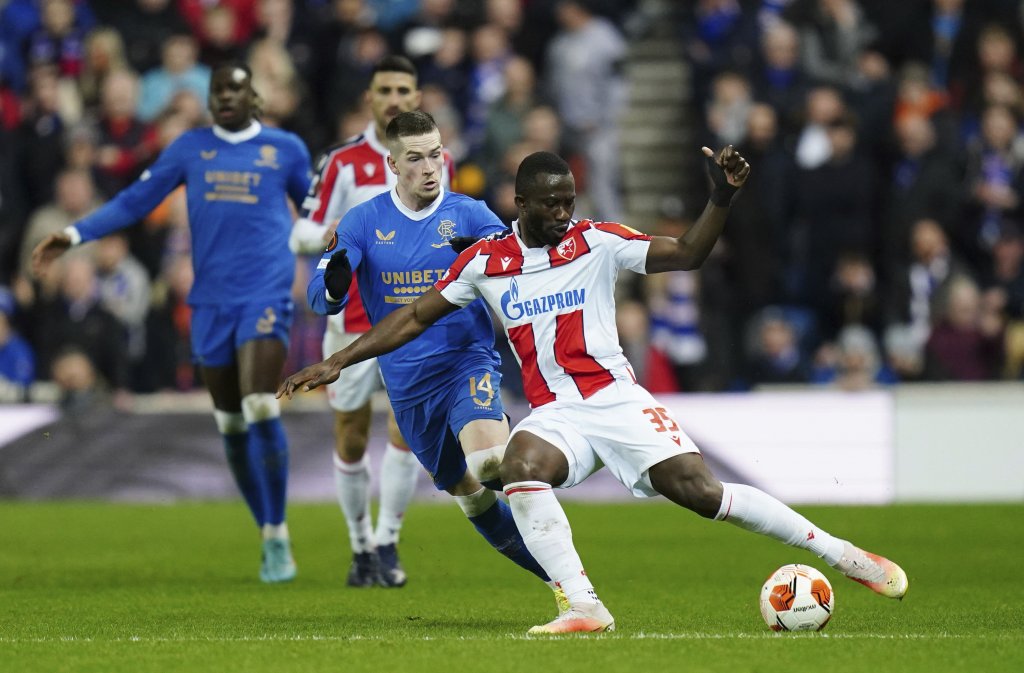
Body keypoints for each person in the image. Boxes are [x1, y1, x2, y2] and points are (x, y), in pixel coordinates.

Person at [279, 147, 910, 635]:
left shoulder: (597, 241)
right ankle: (582, 605)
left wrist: (721, 196)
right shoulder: (487, 262)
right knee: (519, 466)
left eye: (569, 202)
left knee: (702, 493)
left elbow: (687, 253)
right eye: (551, 205)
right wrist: (338, 359)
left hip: (617, 400)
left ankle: (843, 554)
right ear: (520, 203)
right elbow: (414, 316)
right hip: (556, 412)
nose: (563, 214)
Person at [32, 62, 312, 584]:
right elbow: (134, 201)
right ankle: (268, 531)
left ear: (252, 97)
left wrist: (326, 244)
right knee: (231, 425)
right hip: (210, 303)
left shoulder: (285, 148)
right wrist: (73, 235)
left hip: (265, 294)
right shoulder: (190, 149)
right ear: (210, 99)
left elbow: (315, 209)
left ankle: (278, 529)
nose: (225, 97)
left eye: (235, 89)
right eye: (217, 90)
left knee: (258, 403)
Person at [296, 109, 565, 612]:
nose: (428, 167)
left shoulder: (470, 214)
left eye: (435, 155)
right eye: (415, 158)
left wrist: (499, 255)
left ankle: (572, 570)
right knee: (473, 497)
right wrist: (333, 285)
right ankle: (562, 581)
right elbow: (319, 296)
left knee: (489, 462)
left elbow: (523, 266)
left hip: (467, 362)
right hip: (407, 387)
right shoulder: (363, 221)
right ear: (393, 165)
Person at [288, 56, 453, 588]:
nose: (395, 99)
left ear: (417, 97)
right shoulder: (342, 161)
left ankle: (386, 542)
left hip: (412, 321)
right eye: (386, 90)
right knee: (352, 435)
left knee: (406, 432)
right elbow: (301, 233)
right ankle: (359, 545)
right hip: (354, 325)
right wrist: (333, 234)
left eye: (404, 90)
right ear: (370, 97)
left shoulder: (436, 160)